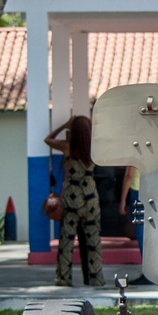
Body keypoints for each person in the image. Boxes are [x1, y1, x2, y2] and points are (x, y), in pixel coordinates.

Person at [44, 115, 104, 287]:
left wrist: (64, 125)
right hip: (91, 196)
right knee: (94, 240)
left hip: (73, 197)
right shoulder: (95, 148)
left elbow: (48, 140)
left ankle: (63, 278)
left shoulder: (68, 147)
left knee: (66, 240)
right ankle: (96, 278)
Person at [118, 165, 152, 285]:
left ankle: (148, 273)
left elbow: (129, 175)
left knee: (140, 232)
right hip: (152, 192)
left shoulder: (135, 151)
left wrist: (122, 200)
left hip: (138, 194)